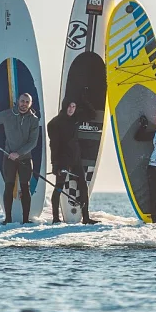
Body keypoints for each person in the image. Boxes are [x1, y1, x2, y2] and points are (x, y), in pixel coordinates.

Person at [0, 93, 39, 224]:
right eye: (22, 101)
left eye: (27, 102)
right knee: (9, 186)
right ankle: (8, 219)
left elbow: (33, 142)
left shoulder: (34, 120)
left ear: (30, 104)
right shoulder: (7, 115)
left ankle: (26, 220)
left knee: (25, 187)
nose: (24, 104)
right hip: (8, 157)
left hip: (25, 158)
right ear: (18, 101)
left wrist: (18, 153)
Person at [47, 96, 98, 225]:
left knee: (83, 187)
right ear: (64, 106)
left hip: (76, 159)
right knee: (59, 187)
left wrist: (83, 101)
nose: (71, 109)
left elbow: (92, 114)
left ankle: (86, 217)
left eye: (74, 107)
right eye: (69, 106)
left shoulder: (76, 118)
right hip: (62, 159)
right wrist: (55, 164)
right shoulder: (54, 123)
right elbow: (54, 145)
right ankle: (55, 218)